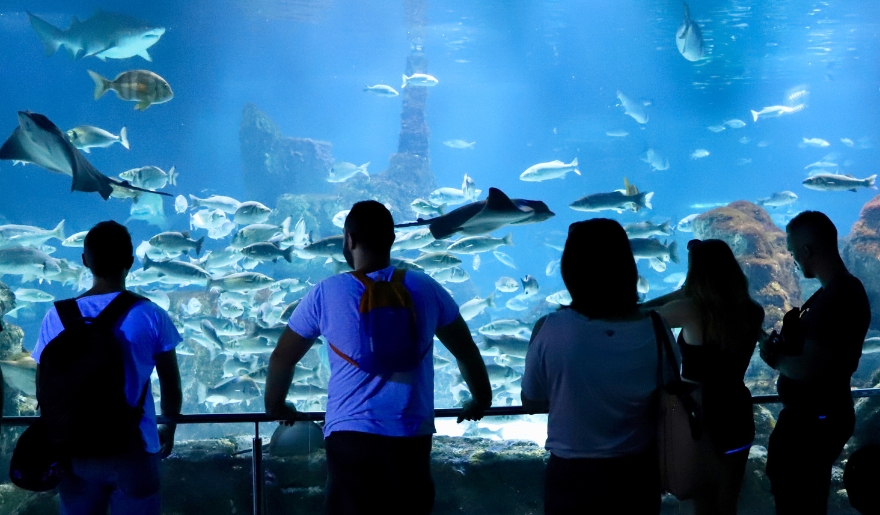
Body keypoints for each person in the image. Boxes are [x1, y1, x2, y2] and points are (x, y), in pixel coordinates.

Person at [264, 200, 492, 515]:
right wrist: (480, 399)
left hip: (350, 437)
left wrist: (276, 407)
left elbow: (281, 359)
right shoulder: (426, 287)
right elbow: (466, 350)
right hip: (410, 435)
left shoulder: (326, 292)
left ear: (350, 239)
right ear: (392, 238)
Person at [522, 218, 676, 515]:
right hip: (638, 474)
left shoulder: (551, 328)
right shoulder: (657, 327)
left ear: (571, 269)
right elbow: (669, 391)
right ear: (628, 266)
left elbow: (531, 401)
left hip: (571, 475)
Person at [33, 221, 182, 515]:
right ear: (130, 262)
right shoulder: (151, 314)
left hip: (74, 450)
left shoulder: (56, 316)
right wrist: (169, 428)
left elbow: (42, 385)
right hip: (135, 448)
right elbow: (171, 386)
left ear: (84, 260)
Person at [759, 211, 871, 515]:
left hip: (813, 421)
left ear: (807, 250)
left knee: (799, 500)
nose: (793, 258)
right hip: (818, 417)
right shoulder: (835, 292)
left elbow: (809, 369)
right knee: (805, 495)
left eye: (793, 251)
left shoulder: (837, 297)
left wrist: (774, 356)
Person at [643, 239, 765, 515]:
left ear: (696, 273)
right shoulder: (753, 310)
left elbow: (639, 315)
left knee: (698, 498)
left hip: (699, 415)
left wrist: (681, 292)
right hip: (736, 410)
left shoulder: (690, 309)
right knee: (728, 499)